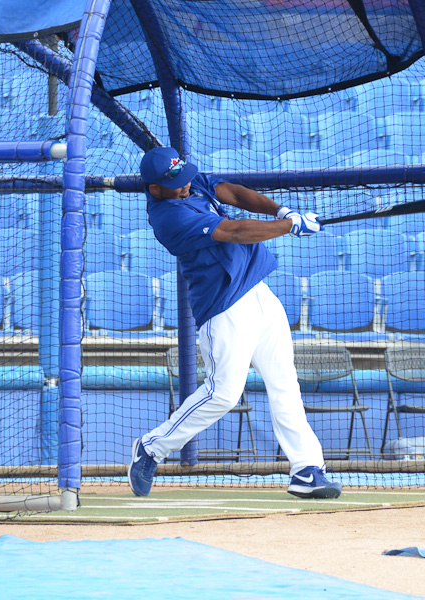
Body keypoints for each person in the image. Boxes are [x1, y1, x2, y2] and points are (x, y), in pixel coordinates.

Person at [127, 146, 342, 499]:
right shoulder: (168, 218)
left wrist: (280, 209)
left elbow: (232, 192)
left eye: (185, 178)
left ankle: (307, 468)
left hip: (259, 292)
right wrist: (289, 226)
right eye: (176, 184)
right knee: (223, 394)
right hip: (224, 306)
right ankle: (152, 446)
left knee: (284, 381)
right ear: (154, 189)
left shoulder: (185, 180)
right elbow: (237, 230)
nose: (186, 186)